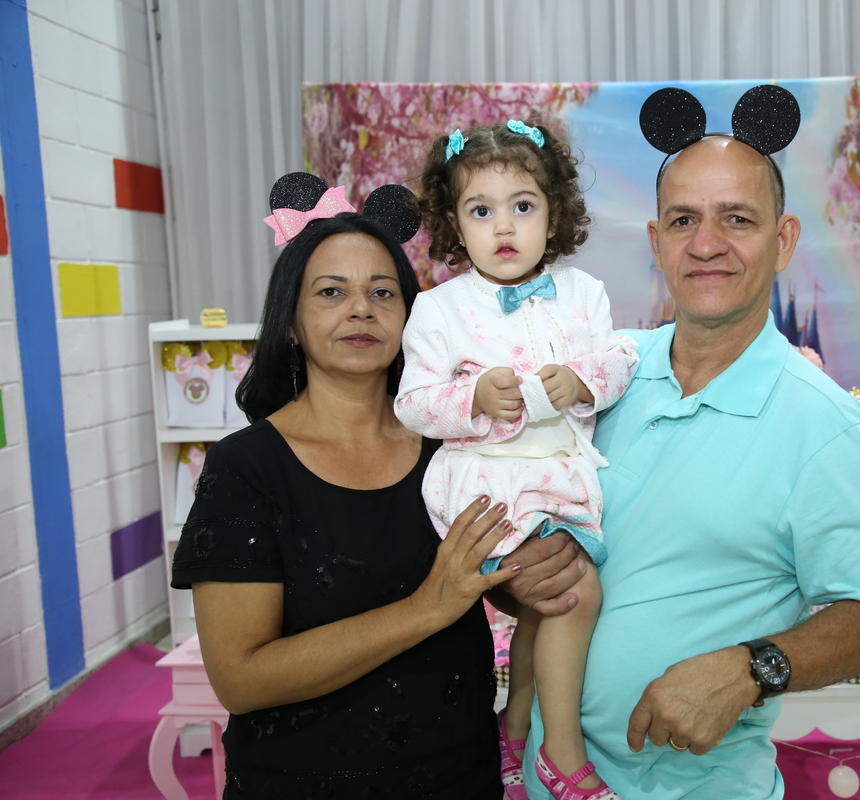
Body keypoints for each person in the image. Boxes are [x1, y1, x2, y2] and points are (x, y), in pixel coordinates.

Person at [522, 93, 860, 800]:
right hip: (548, 782)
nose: (706, 244)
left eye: (737, 218)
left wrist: (749, 669)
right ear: (656, 242)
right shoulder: (597, 378)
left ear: (784, 240)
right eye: (684, 220)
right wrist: (516, 578)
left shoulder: (824, 426)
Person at [171, 174, 585, 799]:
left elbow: (494, 581)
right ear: (290, 322)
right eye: (331, 292)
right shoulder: (245, 468)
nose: (361, 309)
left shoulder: (454, 443)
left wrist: (531, 575)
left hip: (461, 776)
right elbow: (241, 679)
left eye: (383, 292)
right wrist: (427, 607)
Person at [395, 120, 638, 800]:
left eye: (522, 206)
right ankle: (561, 751)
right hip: (489, 483)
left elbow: (622, 358)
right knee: (574, 594)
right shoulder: (439, 309)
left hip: (559, 473)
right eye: (481, 210)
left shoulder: (583, 292)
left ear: (553, 213)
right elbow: (412, 403)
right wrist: (472, 397)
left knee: (543, 606)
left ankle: (516, 723)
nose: (504, 226)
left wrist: (583, 381)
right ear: (454, 222)